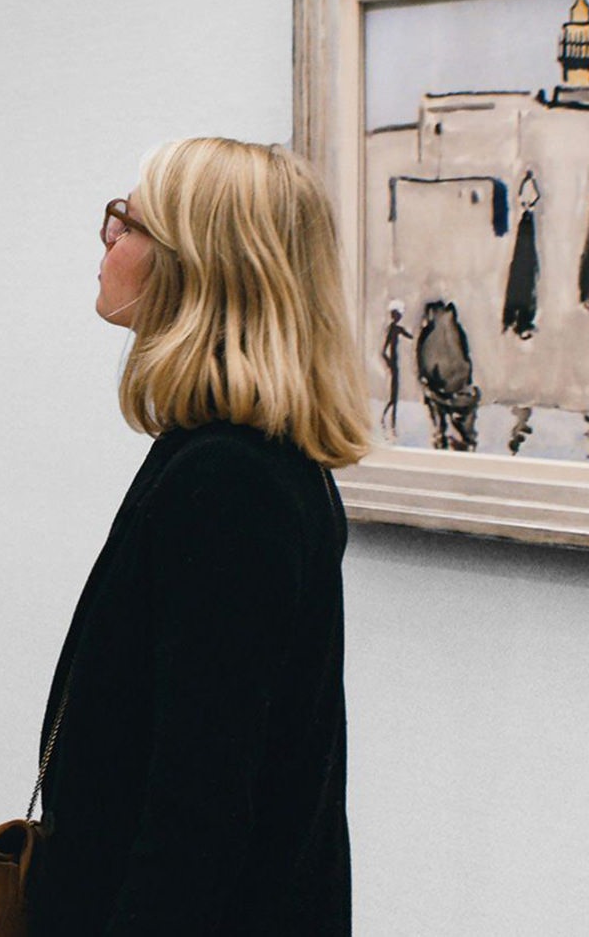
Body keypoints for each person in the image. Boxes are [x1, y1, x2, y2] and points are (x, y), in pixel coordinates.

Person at [26, 138, 369, 935]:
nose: (108, 238)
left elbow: (198, 811)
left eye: (132, 223)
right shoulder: (235, 459)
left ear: (200, 271)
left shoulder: (229, 483)